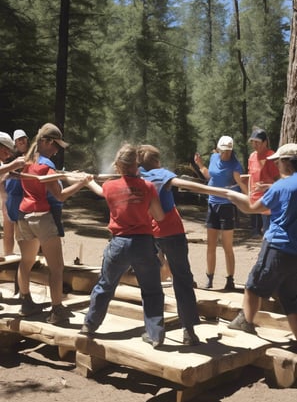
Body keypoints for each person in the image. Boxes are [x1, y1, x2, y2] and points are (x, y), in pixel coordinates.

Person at [80, 143, 166, 348]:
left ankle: (89, 326)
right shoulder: (148, 187)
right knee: (152, 290)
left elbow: (101, 191)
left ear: (118, 165)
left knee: (105, 286)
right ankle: (155, 335)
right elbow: (159, 216)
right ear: (137, 164)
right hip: (144, 244)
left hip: (119, 243)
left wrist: (87, 181)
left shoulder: (110, 186)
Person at [16, 123, 93, 325]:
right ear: (45, 142)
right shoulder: (46, 166)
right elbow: (59, 196)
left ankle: (25, 301)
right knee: (56, 267)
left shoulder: (25, 160)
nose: (57, 149)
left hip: (24, 216)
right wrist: (82, 183)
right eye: (55, 145)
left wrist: (69, 175)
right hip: (42, 218)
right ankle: (57, 310)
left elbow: (48, 175)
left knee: (26, 261)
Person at [225, 143, 297, 339]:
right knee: (291, 298)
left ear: (286, 163)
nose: (276, 167)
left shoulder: (281, 186)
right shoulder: (282, 186)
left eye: (278, 163)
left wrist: (234, 198)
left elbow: (252, 208)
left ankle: (245, 323)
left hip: (277, 247)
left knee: (253, 286)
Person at [136, 144, 200, 345]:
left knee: (151, 281)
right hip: (172, 230)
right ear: (156, 160)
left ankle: (155, 333)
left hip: (148, 232)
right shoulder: (162, 174)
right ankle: (188, 331)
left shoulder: (137, 176)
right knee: (182, 278)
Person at [194, 136, 247, 290]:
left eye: (228, 151)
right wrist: (200, 165)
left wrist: (251, 200)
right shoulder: (214, 157)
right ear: (218, 149)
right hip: (212, 204)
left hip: (227, 207)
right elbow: (210, 176)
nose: (226, 154)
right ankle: (209, 279)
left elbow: (242, 185)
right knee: (210, 245)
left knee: (227, 246)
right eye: (223, 151)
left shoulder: (235, 165)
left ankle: (230, 280)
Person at [0, 129, 30, 255]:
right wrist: (14, 164)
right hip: (12, 196)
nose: (8, 155)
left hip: (16, 196)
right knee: (9, 228)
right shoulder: (10, 161)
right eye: (6, 151)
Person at [247, 127, 280, 237]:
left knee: (268, 233)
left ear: (265, 142)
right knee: (256, 234)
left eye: (258, 142)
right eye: (253, 142)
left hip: (267, 203)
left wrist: (266, 187)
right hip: (254, 201)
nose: (255, 145)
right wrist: (248, 194)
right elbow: (251, 176)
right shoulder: (252, 156)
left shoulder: (271, 157)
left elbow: (280, 182)